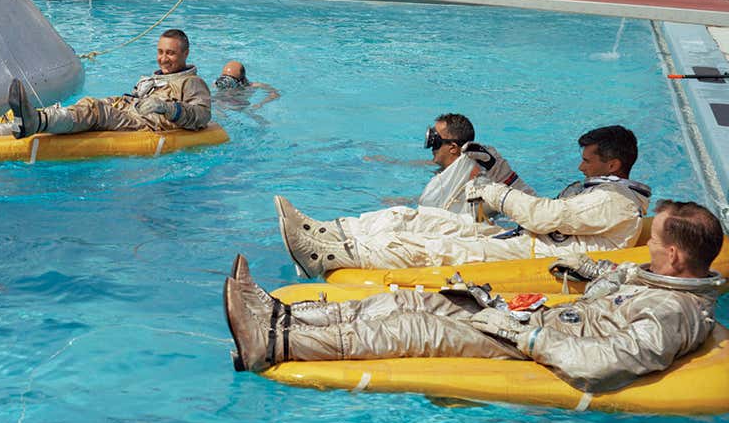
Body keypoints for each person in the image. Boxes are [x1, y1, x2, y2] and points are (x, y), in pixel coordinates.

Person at [224, 199, 724, 393]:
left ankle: (270, 342)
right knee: (411, 302)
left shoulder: (674, 312)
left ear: (676, 256)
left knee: (415, 329)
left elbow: (603, 364)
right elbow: (617, 289)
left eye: (654, 242)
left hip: (529, 342)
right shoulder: (658, 280)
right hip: (532, 319)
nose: (647, 246)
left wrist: (524, 337)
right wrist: (593, 270)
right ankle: (282, 315)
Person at [277, 125, 650, 276]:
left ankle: (326, 256)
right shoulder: (599, 193)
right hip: (521, 239)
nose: (580, 166)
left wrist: (492, 191)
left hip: (533, 256)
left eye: (588, 159)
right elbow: (545, 211)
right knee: (414, 218)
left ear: (613, 164)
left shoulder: (616, 202)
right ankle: (327, 231)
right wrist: (499, 170)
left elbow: (543, 215)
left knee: (429, 247)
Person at [276, 113, 533, 256]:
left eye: (434, 141)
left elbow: (496, 204)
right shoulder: (457, 168)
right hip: (466, 225)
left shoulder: (482, 167)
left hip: (479, 236)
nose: (429, 148)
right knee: (402, 214)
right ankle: (326, 233)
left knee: (401, 218)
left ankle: (328, 241)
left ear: (453, 148)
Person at [0, 29, 211, 139]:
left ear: (185, 54)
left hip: (144, 124)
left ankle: (35, 122)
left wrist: (168, 109)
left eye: (171, 53)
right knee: (89, 106)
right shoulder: (152, 78)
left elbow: (202, 115)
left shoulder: (192, 82)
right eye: (161, 52)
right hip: (127, 112)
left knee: (93, 110)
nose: (164, 58)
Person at [213, 60, 280, 122]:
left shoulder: (253, 86)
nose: (226, 83)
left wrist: (260, 104)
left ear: (241, 80)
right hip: (222, 104)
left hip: (241, 106)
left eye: (231, 81)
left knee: (258, 119)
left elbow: (275, 93)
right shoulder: (219, 84)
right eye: (224, 78)